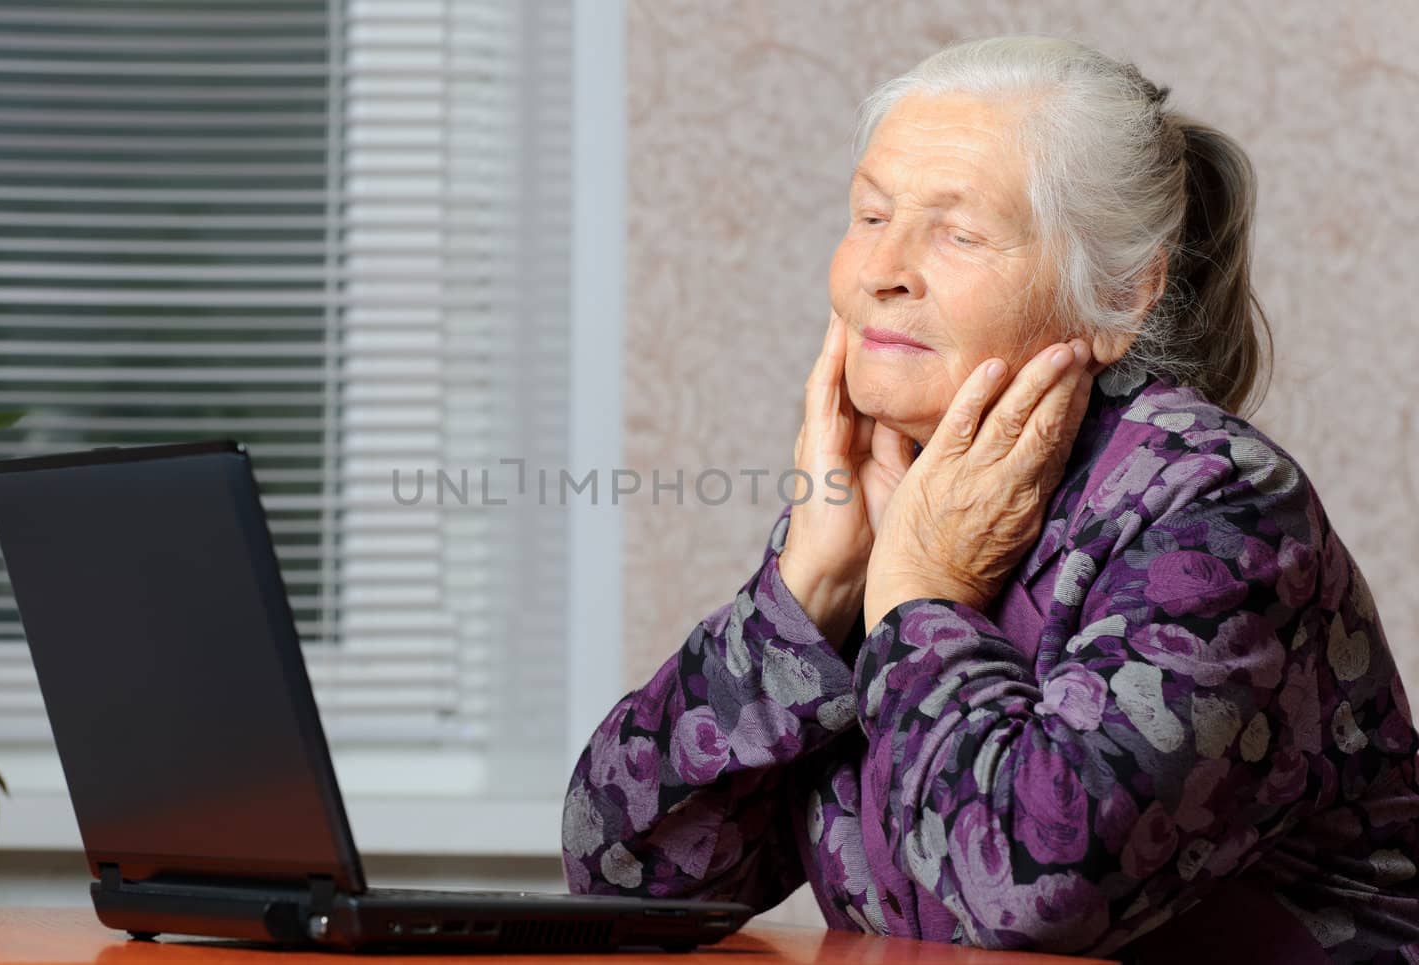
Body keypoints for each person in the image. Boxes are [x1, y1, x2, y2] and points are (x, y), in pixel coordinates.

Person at [561, 35, 1419, 964]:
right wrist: (809, 589)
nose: (883, 269)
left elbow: (1029, 899)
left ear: (1122, 296)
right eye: (871, 215)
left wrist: (920, 598)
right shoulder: (894, 495)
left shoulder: (1216, 506)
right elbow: (625, 878)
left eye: (958, 233)